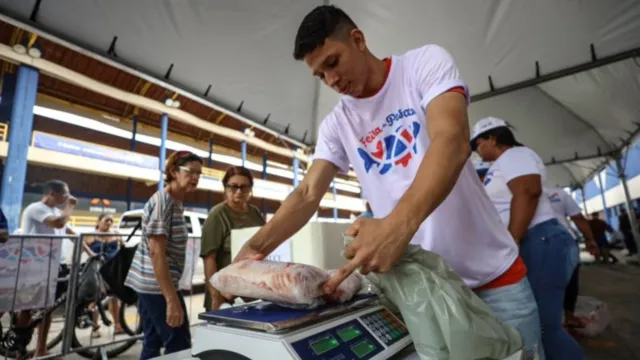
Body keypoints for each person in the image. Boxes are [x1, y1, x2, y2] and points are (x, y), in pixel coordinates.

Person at [230, 5, 543, 359]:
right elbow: (307, 193)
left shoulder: (422, 65)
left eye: (333, 63)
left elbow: (451, 140)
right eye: (320, 75)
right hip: (424, 292)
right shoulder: (338, 123)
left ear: (358, 39)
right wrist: (254, 250)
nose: (331, 81)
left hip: (494, 281)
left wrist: (396, 227)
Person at [472, 116, 585, 360]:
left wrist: (513, 240)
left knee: (545, 328)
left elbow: (527, 191)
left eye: (478, 143)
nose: (477, 150)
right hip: (535, 239)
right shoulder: (500, 165)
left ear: (492, 138)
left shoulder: (514, 155)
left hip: (540, 238)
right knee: (541, 327)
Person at [124, 151, 202, 360]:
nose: (195, 177)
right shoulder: (163, 203)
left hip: (151, 285)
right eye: (191, 171)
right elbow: (156, 252)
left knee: (153, 341)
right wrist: (171, 299)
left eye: (199, 173)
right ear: (174, 171)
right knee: (179, 343)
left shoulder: (174, 201)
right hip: (156, 286)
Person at [15, 180, 85, 359]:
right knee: (28, 307)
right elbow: (59, 223)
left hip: (54, 264)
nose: (68, 197)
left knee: (47, 309)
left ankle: (41, 349)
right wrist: (70, 206)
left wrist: (90, 252)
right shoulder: (36, 208)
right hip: (35, 264)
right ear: (52, 194)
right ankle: (19, 349)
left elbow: (69, 232)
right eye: (65, 194)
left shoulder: (55, 211)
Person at [200, 166, 265, 311]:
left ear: (250, 189)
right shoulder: (217, 215)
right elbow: (209, 258)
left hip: (251, 291)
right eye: (233, 187)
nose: (239, 191)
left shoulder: (255, 213)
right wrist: (216, 296)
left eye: (244, 187)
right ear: (225, 188)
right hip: (224, 293)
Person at [545, 188, 599, 330]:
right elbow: (579, 218)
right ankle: (569, 317)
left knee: (545, 283)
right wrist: (590, 240)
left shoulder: (517, 192)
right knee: (570, 281)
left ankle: (552, 321)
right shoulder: (558, 193)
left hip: (539, 243)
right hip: (565, 240)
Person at [84, 213, 125, 337]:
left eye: (111, 221)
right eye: (106, 220)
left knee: (114, 298)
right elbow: (81, 248)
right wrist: (91, 253)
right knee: (95, 299)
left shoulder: (115, 233)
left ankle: (118, 325)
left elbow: (123, 248)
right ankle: (95, 328)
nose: (109, 223)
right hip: (98, 270)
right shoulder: (91, 235)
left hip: (113, 269)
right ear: (99, 221)